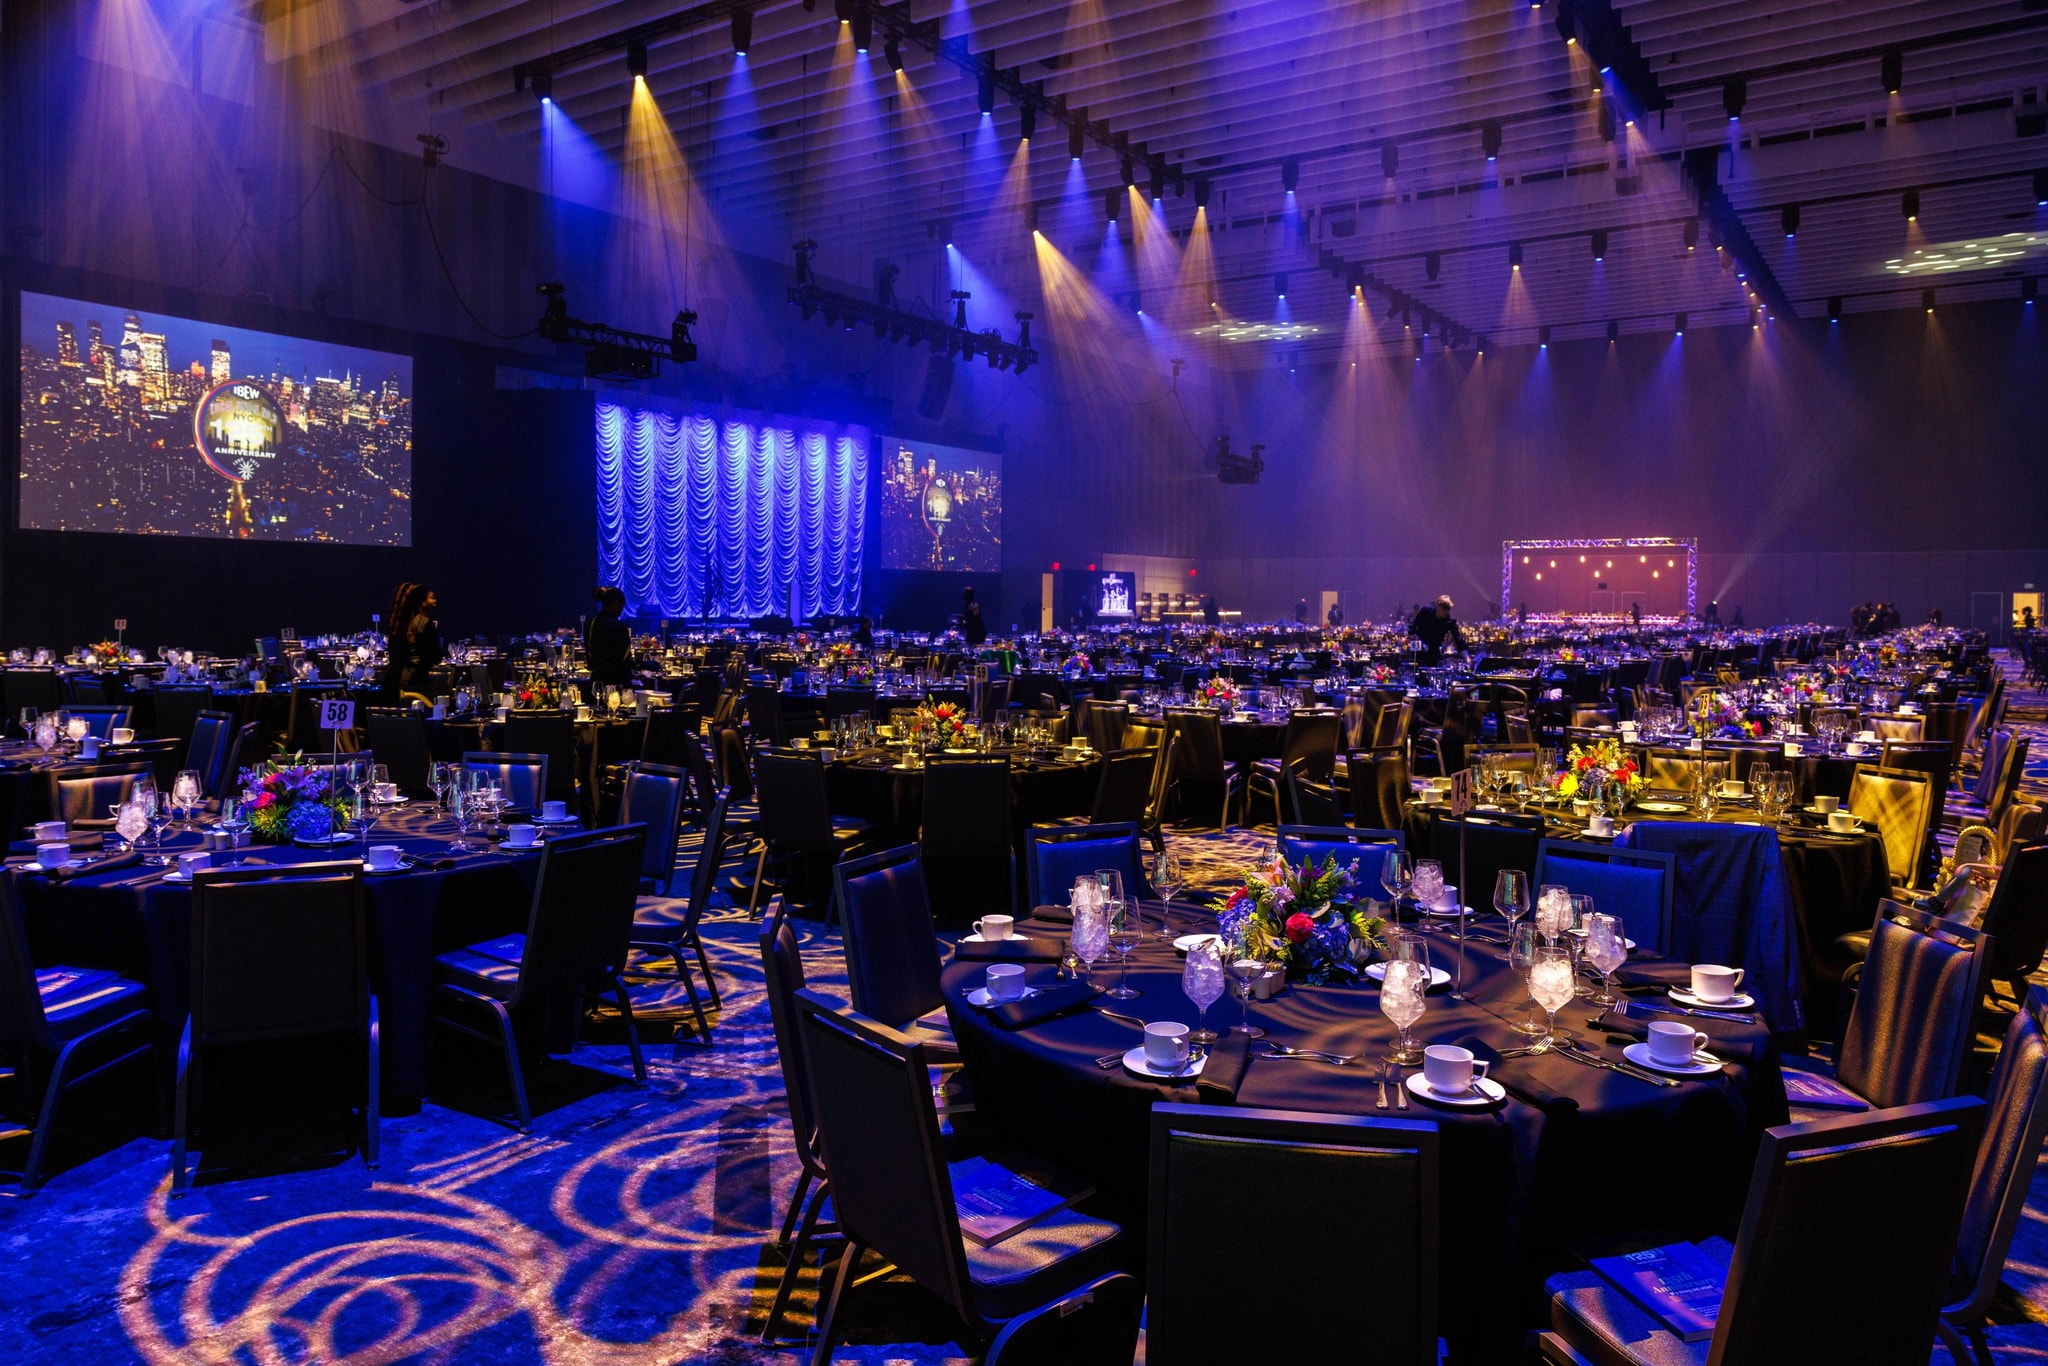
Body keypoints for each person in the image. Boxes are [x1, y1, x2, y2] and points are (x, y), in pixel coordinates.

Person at [383, 582, 444, 703]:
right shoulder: (424, 623)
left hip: (392, 680)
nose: (435, 601)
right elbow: (435, 656)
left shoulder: (397, 624)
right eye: (431, 598)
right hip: (415, 682)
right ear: (422, 602)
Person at [586, 586, 633, 688]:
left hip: (596, 682)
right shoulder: (619, 626)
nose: (621, 611)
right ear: (615, 603)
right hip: (617, 683)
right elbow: (625, 661)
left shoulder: (591, 623)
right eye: (622, 606)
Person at [1407, 594, 1466, 665]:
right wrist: (1417, 640)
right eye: (1444, 608)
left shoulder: (1449, 621)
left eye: (1448, 609)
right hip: (1418, 652)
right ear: (1438, 606)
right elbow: (1412, 628)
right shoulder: (1425, 612)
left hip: (1433, 654)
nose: (1446, 612)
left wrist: (1467, 658)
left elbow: (1458, 640)